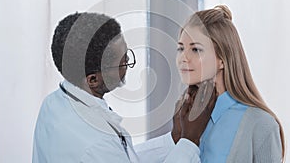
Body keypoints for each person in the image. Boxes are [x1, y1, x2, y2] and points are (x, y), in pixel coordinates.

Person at [32, 12, 216, 163]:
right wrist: (189, 141)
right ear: (93, 79)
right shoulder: (95, 144)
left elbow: (121, 156)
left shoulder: (53, 103)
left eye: (126, 54)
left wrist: (173, 139)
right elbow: (106, 153)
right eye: (122, 62)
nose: (128, 64)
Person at [172, 5, 285, 162]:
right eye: (180, 48)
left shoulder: (260, 124)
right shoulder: (183, 119)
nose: (183, 58)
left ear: (222, 60)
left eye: (196, 49)